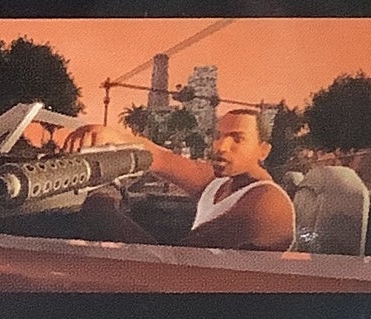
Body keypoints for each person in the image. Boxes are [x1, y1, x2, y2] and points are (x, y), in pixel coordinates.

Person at [60, 106, 296, 250]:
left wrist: (102, 205)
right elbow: (160, 158)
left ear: (263, 150)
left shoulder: (266, 203)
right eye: (218, 136)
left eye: (237, 138)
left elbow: (172, 262)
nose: (221, 146)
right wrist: (111, 135)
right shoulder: (219, 183)